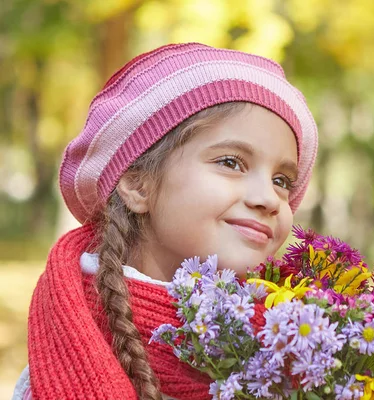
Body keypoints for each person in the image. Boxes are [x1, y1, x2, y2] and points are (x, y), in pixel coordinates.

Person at [13, 42, 318, 400]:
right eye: (231, 163)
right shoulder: (59, 369)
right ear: (137, 184)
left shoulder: (301, 352)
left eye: (281, 181)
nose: (268, 198)